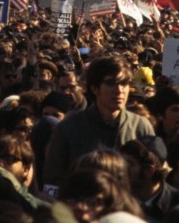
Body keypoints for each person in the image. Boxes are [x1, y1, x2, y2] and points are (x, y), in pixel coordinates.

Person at [42, 55, 155, 190]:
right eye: (111, 83)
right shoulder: (68, 128)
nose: (119, 90)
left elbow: (152, 179)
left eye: (124, 83)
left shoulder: (141, 126)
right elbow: (53, 180)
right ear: (95, 88)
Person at [121, 138, 179, 222]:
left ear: (149, 170)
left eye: (130, 164)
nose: (122, 168)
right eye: (122, 161)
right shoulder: (117, 201)